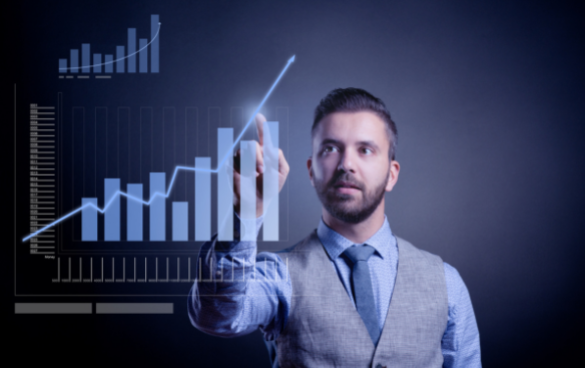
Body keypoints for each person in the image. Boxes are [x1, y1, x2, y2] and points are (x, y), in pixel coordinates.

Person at [188, 88, 481, 367]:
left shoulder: (446, 284)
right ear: (311, 172)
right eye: (330, 148)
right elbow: (215, 315)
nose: (346, 164)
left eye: (365, 150)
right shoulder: (278, 276)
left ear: (392, 175)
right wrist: (247, 212)